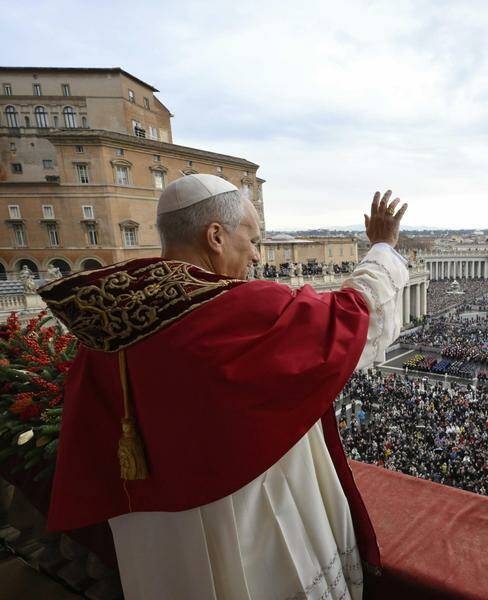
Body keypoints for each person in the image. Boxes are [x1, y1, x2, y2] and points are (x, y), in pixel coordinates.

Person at [39, 175, 409, 600]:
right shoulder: (238, 309)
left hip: (156, 539)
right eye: (251, 239)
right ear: (215, 236)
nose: (255, 255)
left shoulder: (106, 327)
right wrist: (382, 247)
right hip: (249, 521)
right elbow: (354, 318)